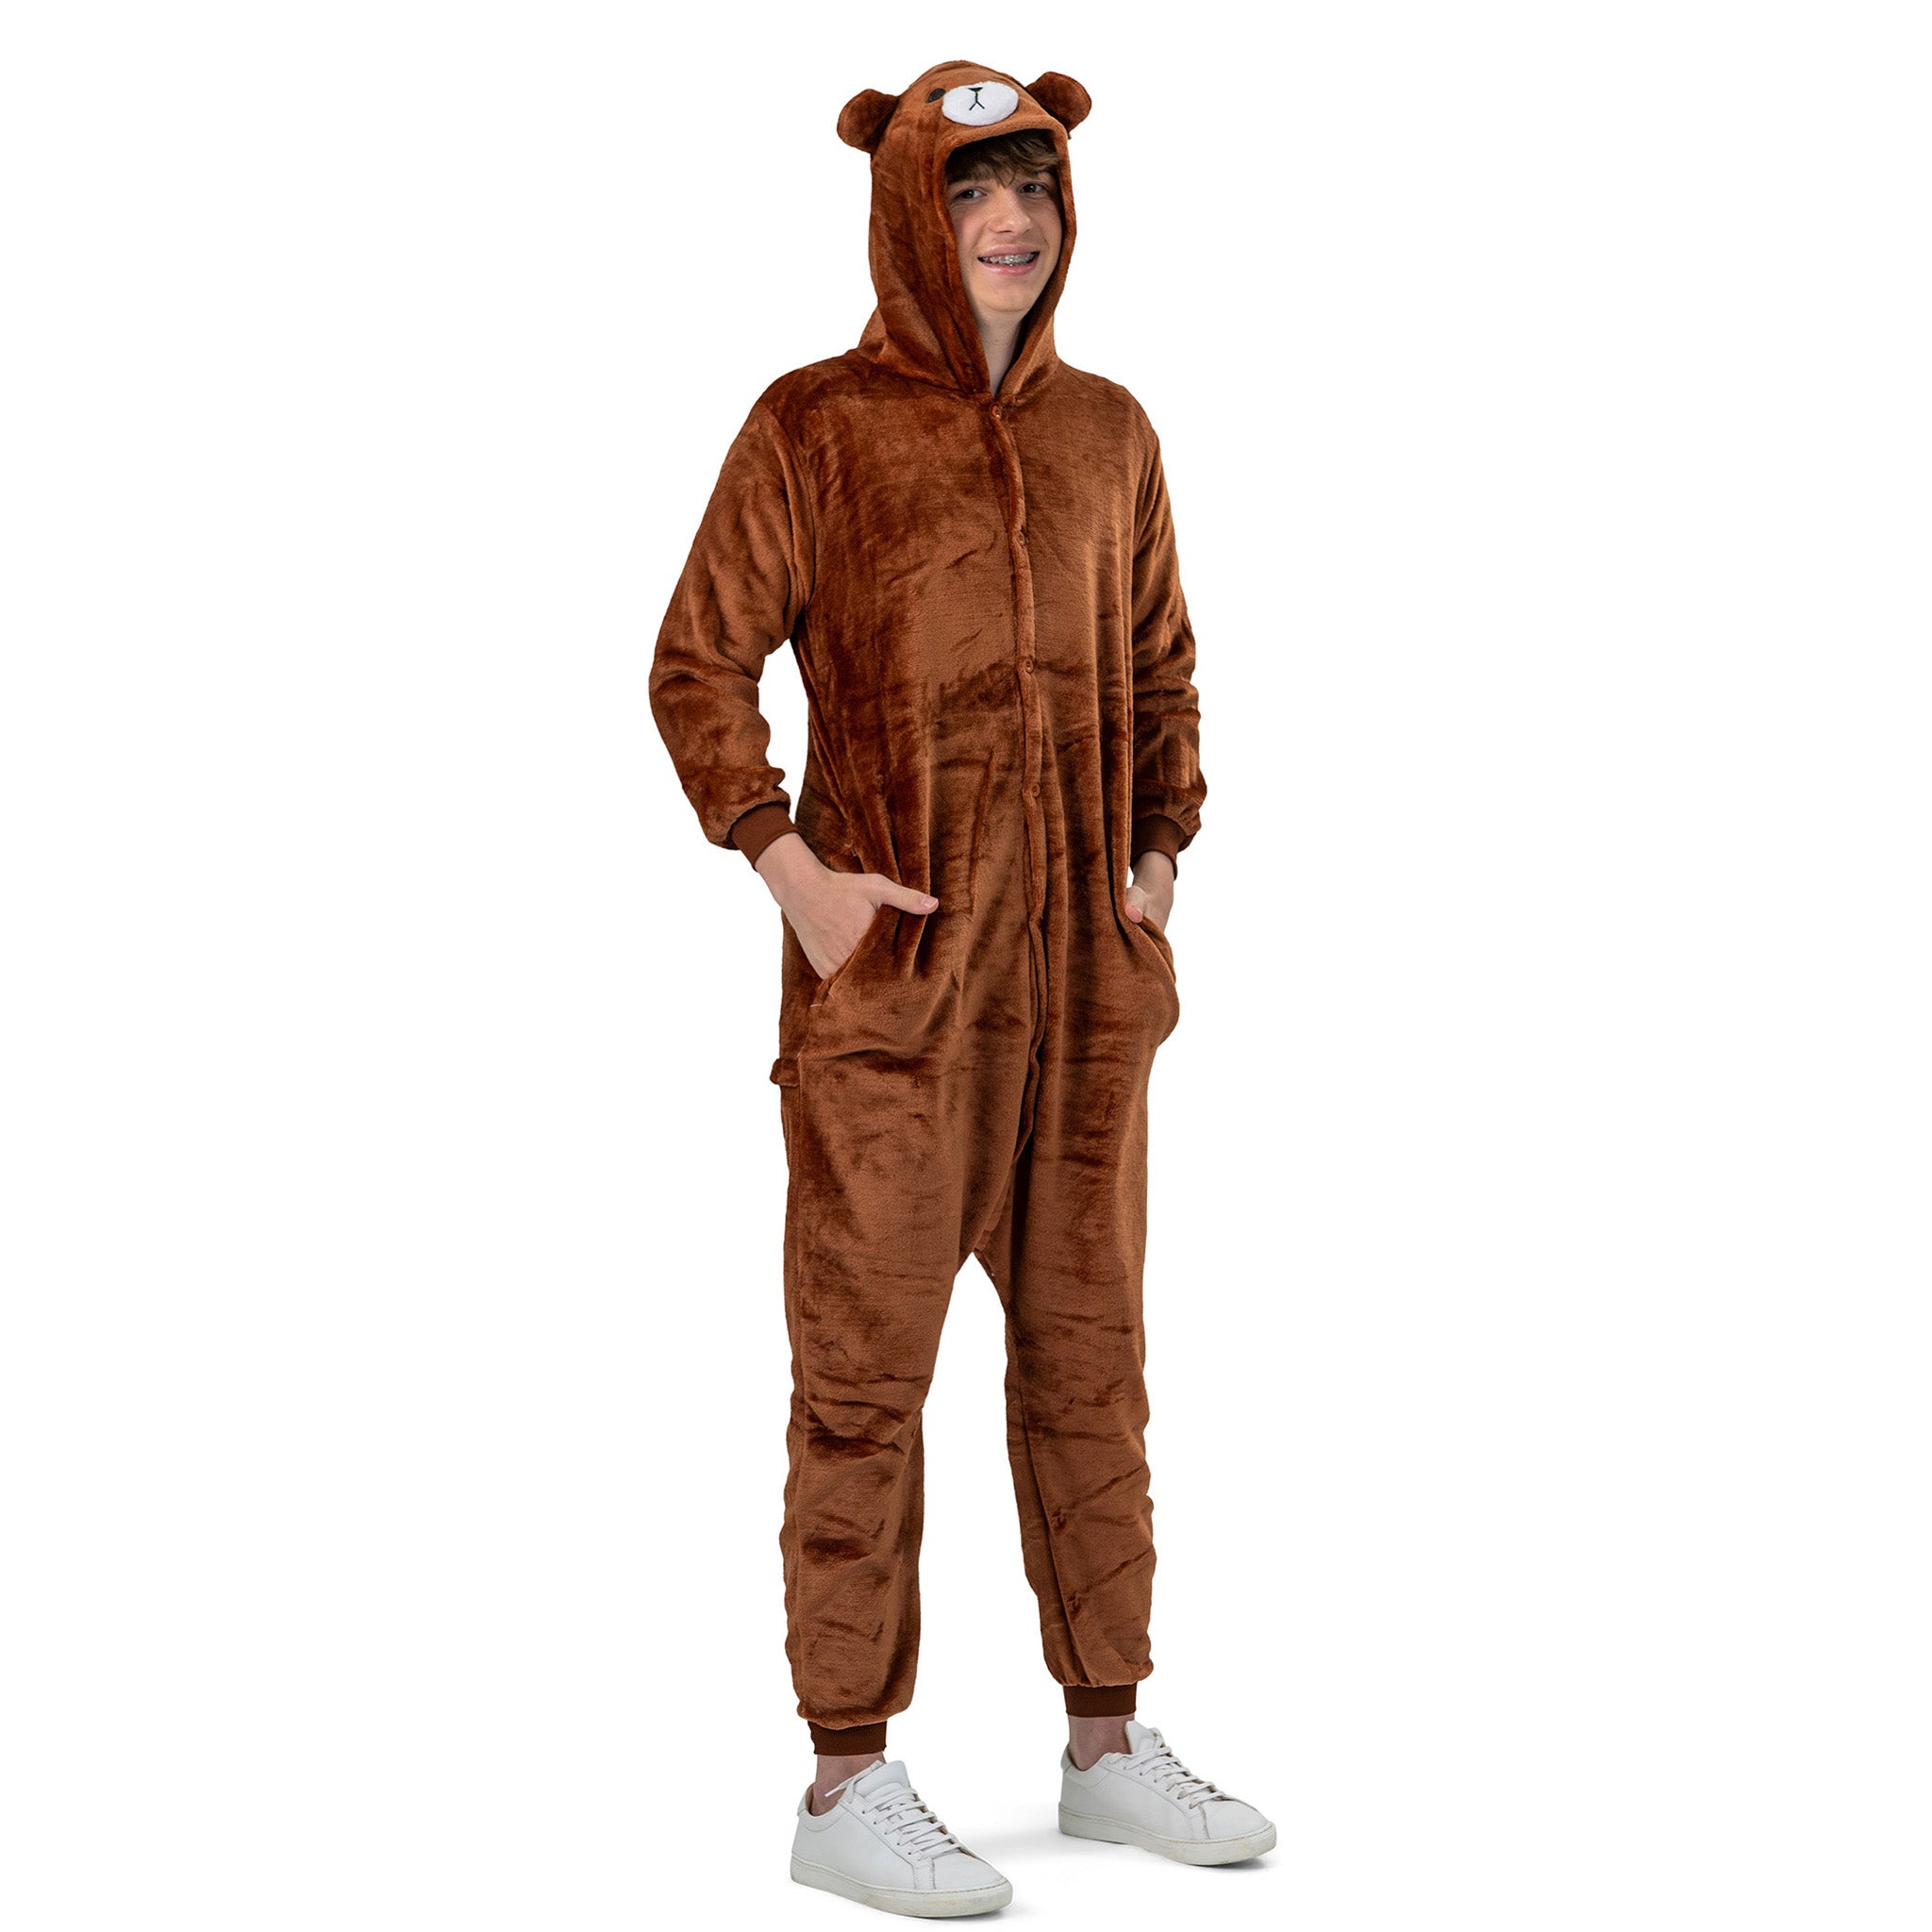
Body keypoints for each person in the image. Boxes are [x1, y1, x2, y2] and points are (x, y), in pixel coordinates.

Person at [650, 60, 1275, 1916]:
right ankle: (845, 1777)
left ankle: (1106, 1745)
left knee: (1093, 1371)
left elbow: (1165, 669)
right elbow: (696, 664)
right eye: (971, 194)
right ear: (908, 216)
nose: (1010, 226)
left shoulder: (1110, 434)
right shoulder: (814, 425)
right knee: (863, 1383)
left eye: (1034, 190)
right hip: (894, 1005)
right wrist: (793, 873)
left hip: (1085, 1002)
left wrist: (1158, 855)